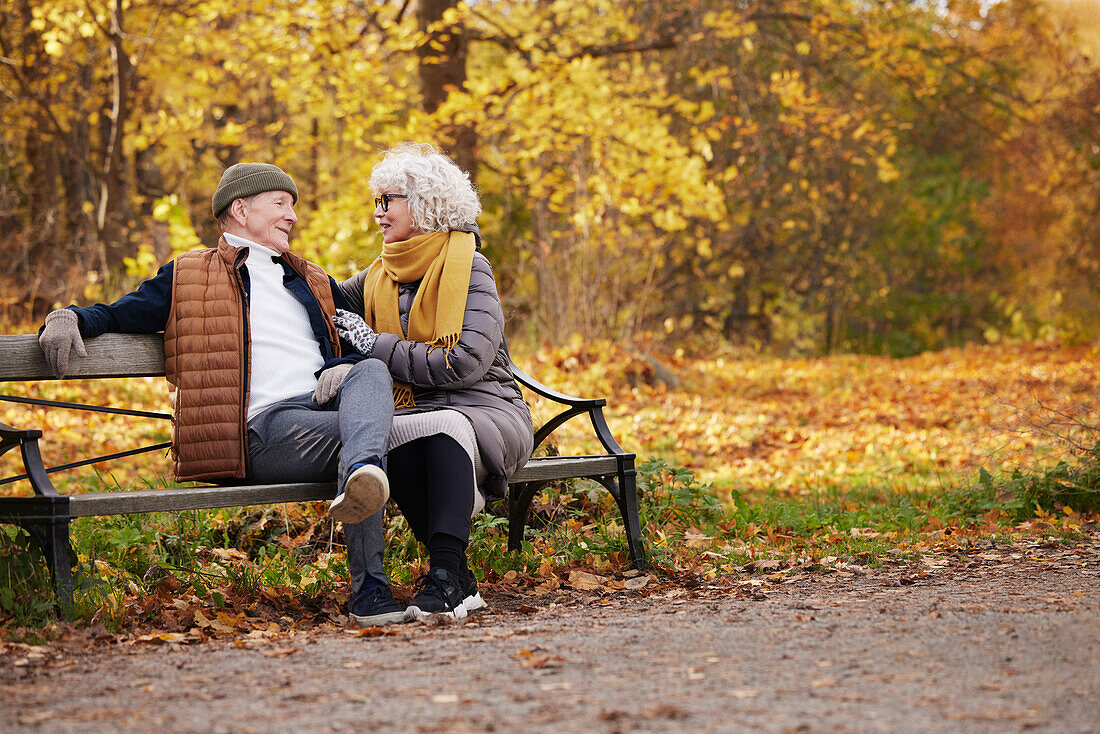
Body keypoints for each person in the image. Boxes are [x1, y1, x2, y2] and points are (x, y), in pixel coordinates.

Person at [36, 162, 406, 626]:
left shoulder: (310, 278)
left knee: (371, 375)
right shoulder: (189, 274)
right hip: (258, 430)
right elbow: (119, 313)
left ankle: (365, 480)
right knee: (391, 441)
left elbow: (363, 333)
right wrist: (68, 316)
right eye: (280, 205)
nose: (293, 217)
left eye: (293, 207)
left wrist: (342, 368)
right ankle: (370, 590)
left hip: (318, 414)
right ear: (240, 209)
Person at [335, 143, 534, 620]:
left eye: (389, 201)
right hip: (420, 407)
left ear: (424, 204)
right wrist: (277, 259)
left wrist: (374, 344)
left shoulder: (471, 268)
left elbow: (464, 364)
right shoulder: (381, 272)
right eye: (377, 202)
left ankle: (445, 575)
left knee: (442, 425)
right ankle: (456, 579)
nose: (378, 213)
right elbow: (328, 298)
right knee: (396, 430)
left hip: (486, 408)